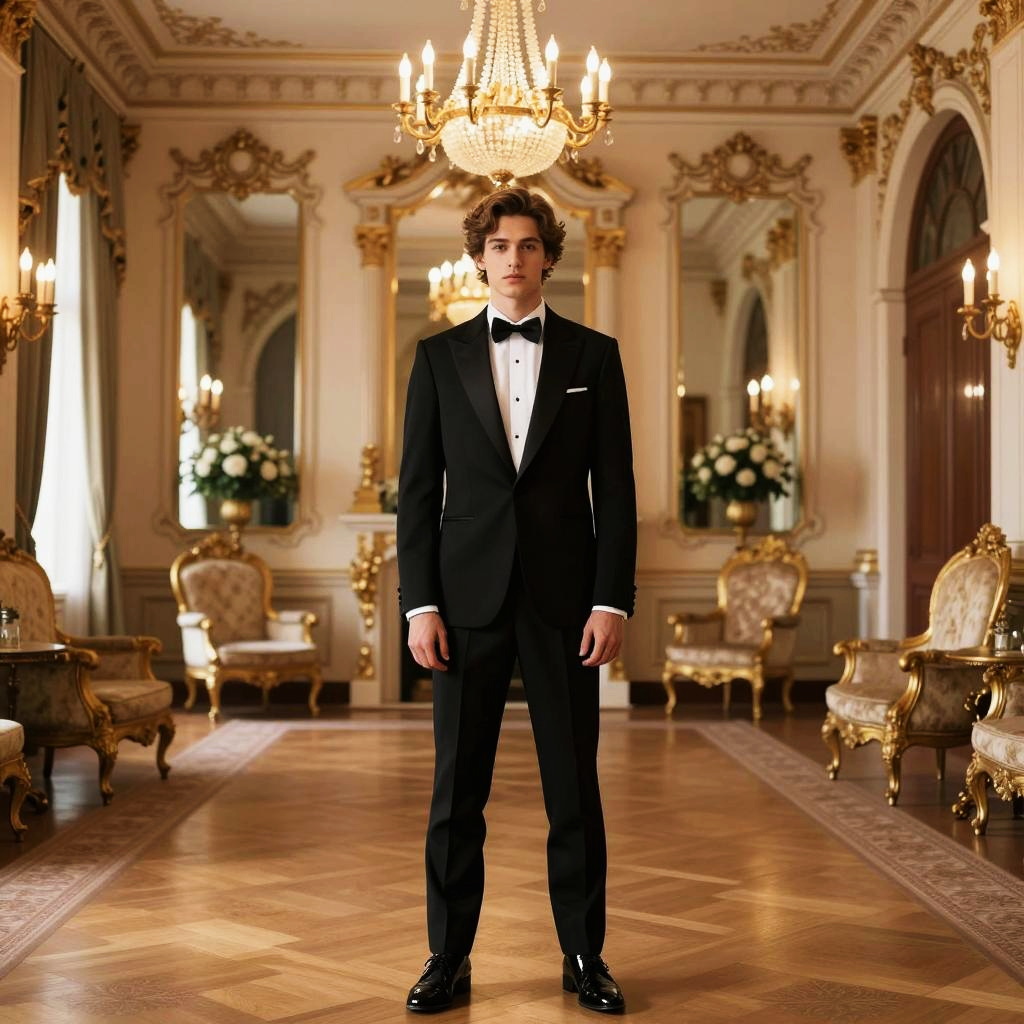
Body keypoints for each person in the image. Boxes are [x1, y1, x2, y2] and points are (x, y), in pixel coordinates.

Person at [397, 186, 637, 1015]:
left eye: (528, 245)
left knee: (573, 787)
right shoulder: (437, 358)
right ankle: (447, 957)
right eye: (499, 246)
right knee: (456, 791)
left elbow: (619, 492)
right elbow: (418, 493)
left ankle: (583, 954)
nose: (513, 259)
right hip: (462, 604)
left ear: (549, 257)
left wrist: (612, 602)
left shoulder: (595, 357)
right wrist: (418, 605)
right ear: (478, 257)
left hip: (567, 603)